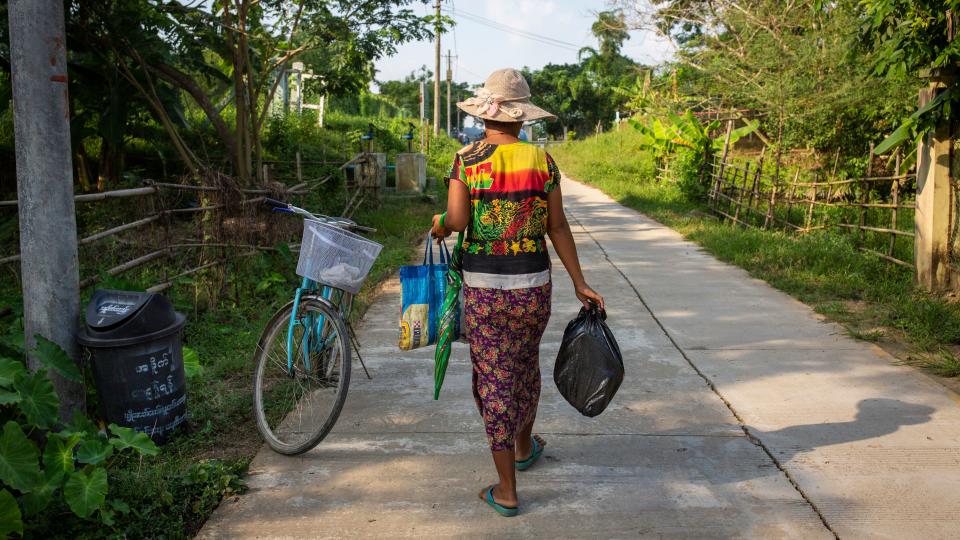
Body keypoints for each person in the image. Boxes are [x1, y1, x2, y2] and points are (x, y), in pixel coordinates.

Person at [430, 68, 604, 517]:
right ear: (521, 117)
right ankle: (524, 448)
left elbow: (457, 220)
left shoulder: (467, 159)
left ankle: (506, 491)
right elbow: (558, 226)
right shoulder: (542, 161)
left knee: (494, 381)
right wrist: (579, 282)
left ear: (486, 114)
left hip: (486, 290)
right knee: (524, 365)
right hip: (533, 288)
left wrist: (439, 224)